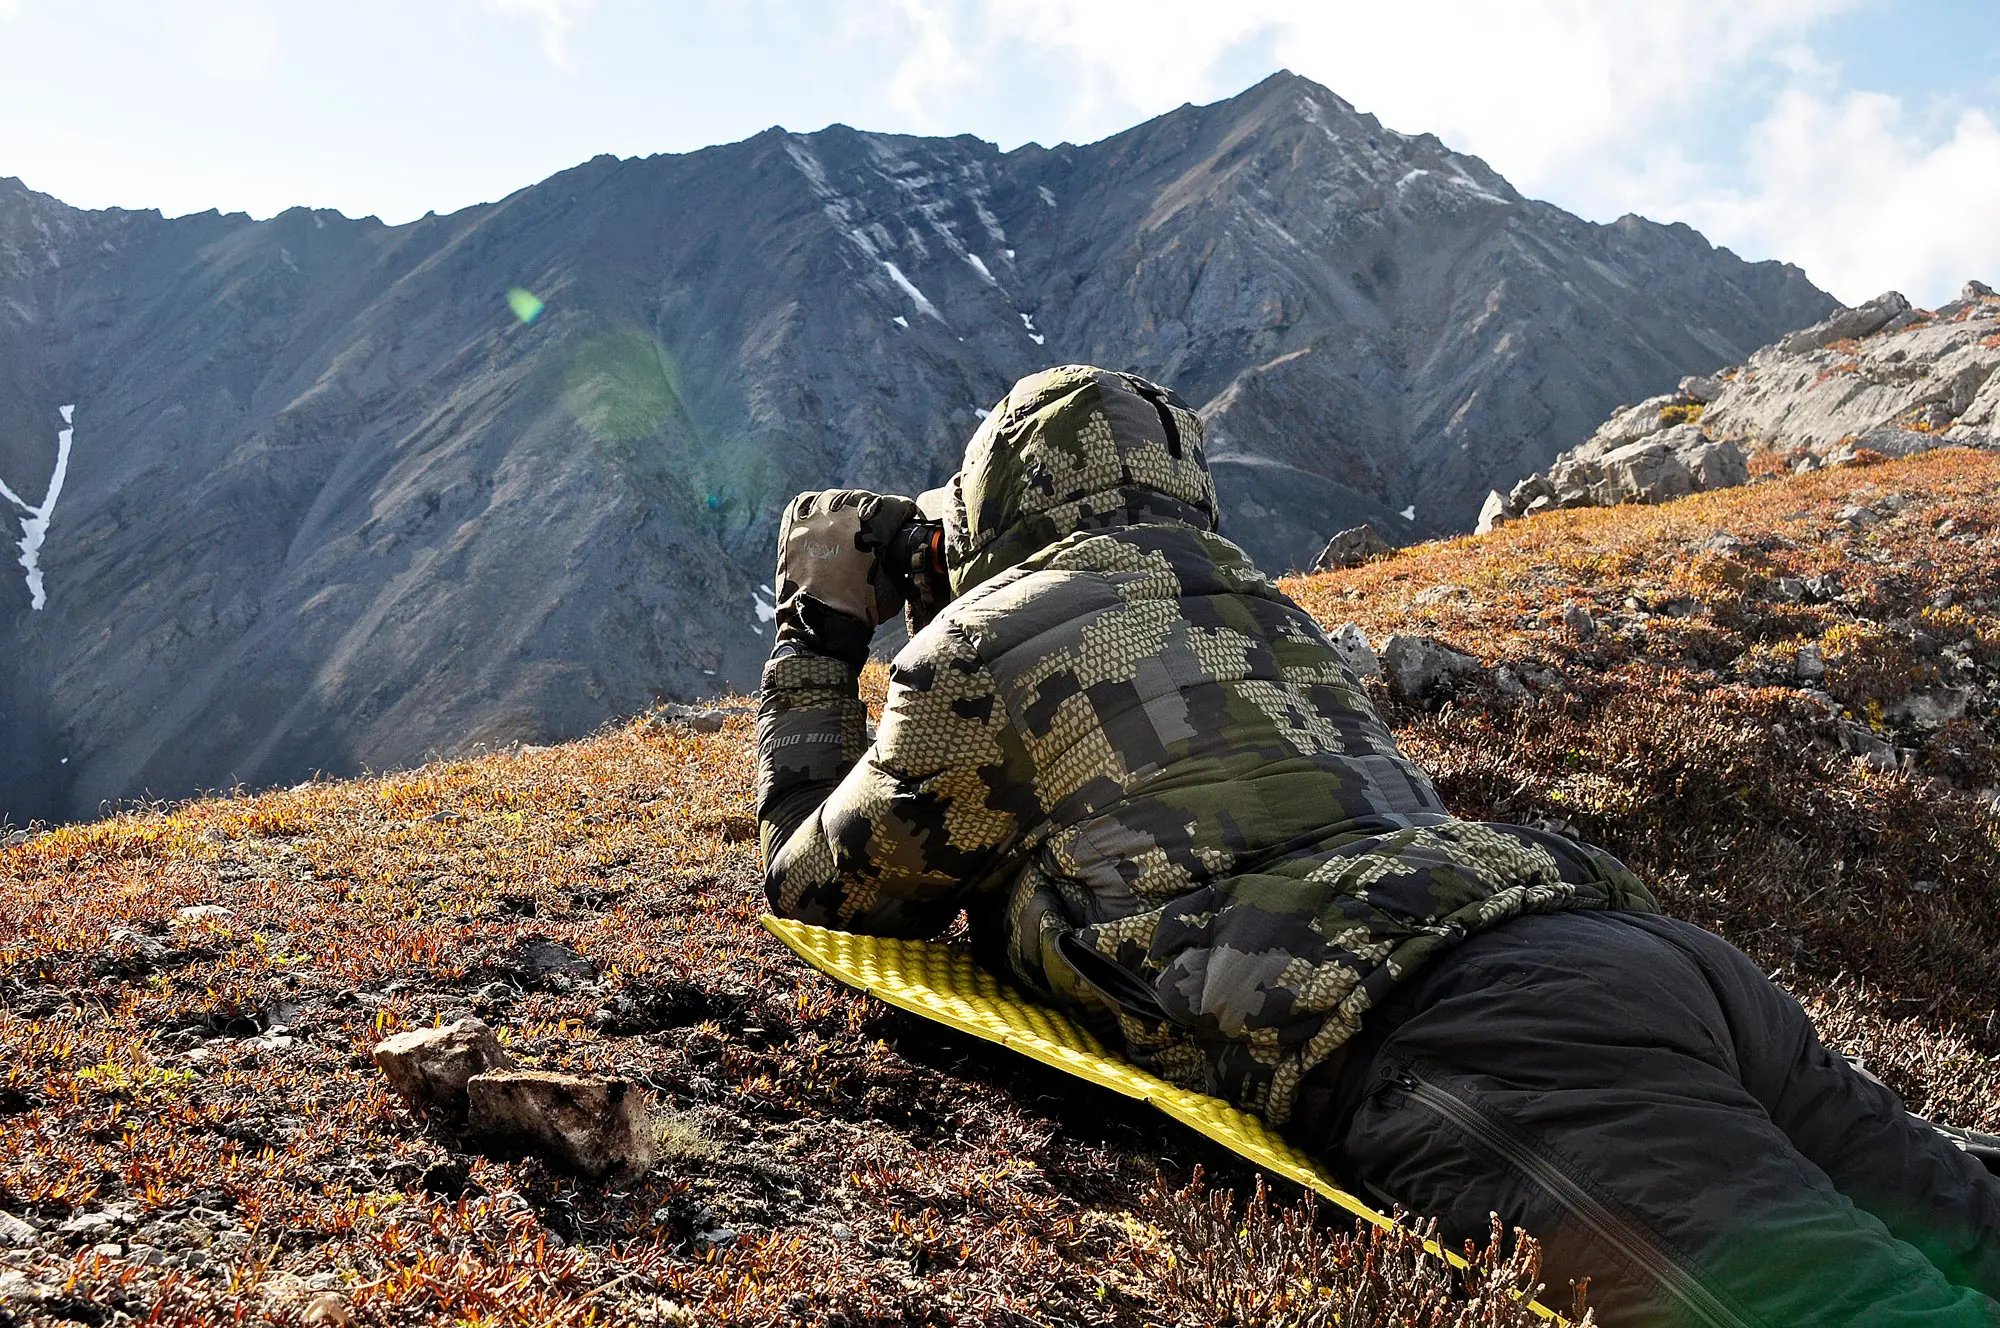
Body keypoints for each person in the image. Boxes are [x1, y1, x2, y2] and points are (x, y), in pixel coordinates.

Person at [756, 364, 2000, 1326]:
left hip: (1469, 1034)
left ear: (984, 508)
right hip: (1639, 955)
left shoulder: (980, 650)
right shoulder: (1264, 606)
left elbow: (819, 887)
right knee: (1964, 1226)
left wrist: (816, 644)